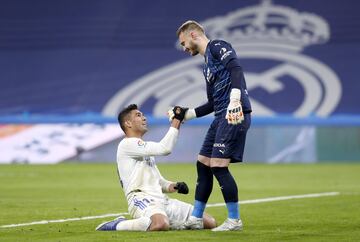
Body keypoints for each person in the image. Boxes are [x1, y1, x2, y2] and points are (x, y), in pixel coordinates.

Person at [168, 20, 252, 231]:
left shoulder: (217, 46)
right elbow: (213, 103)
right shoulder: (207, 65)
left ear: (193, 34)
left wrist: (235, 99)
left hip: (234, 114)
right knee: (203, 163)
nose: (184, 48)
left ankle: (234, 221)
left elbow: (236, 69)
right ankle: (196, 218)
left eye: (183, 42)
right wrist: (186, 114)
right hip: (221, 115)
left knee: (218, 166)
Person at [96, 104, 216, 231]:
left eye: (143, 115)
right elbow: (165, 148)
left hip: (162, 200)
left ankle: (166, 222)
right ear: (128, 123)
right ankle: (117, 224)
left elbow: (159, 182)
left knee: (209, 222)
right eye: (138, 115)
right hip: (141, 199)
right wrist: (177, 120)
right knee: (160, 224)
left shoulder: (143, 148)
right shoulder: (127, 144)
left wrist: (174, 185)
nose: (144, 118)